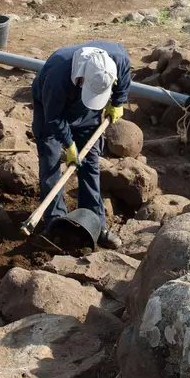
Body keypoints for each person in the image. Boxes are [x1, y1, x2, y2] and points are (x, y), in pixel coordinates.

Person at [31, 41, 131, 249]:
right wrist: (69, 145)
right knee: (50, 165)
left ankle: (95, 224)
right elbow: (54, 118)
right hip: (51, 112)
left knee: (90, 163)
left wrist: (118, 102)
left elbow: (125, 76)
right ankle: (54, 225)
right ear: (82, 76)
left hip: (89, 112)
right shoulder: (57, 76)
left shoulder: (116, 58)